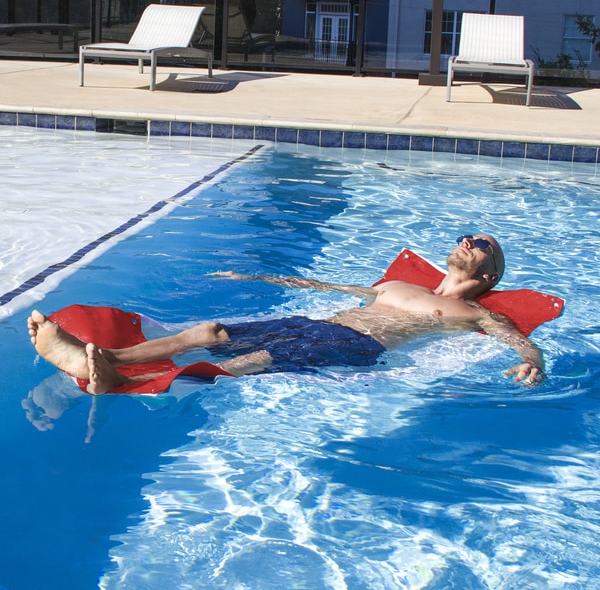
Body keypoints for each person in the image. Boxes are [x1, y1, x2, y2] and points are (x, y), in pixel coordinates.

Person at [27, 234, 545, 396]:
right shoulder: (396, 283)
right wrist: (256, 279)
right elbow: (323, 286)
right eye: (463, 237)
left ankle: (118, 376)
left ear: (490, 272)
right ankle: (107, 359)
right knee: (209, 330)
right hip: (322, 325)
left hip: (359, 348)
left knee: (256, 357)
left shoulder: (472, 312)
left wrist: (532, 360)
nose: (464, 242)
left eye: (477, 243)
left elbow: (515, 335)